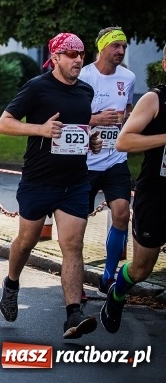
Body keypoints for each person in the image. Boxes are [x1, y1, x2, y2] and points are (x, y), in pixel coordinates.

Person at [0, 33, 102, 339]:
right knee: (26, 242)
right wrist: (40, 129)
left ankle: (73, 314)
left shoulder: (86, 91)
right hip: (38, 181)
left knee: (73, 246)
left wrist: (91, 140)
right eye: (71, 54)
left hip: (74, 182)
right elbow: (4, 123)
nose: (78, 59)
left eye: (81, 54)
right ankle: (11, 283)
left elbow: (78, 131)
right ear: (55, 58)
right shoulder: (37, 87)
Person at [101, 46, 166, 333]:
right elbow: (124, 141)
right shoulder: (155, 99)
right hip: (156, 194)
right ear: (165, 65)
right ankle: (116, 294)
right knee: (141, 268)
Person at [78, 27, 135, 294]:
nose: (120, 51)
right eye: (115, 46)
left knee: (122, 213)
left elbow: (129, 109)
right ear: (102, 47)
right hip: (85, 162)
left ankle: (108, 276)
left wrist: (128, 121)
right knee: (77, 223)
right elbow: (70, 114)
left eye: (123, 46)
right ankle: (74, 279)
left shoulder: (128, 77)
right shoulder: (84, 76)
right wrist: (96, 120)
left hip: (116, 158)